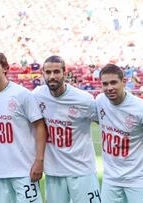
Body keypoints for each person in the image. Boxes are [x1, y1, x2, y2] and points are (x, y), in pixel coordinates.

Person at [33, 55, 101, 203]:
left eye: (56, 72)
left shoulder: (84, 99)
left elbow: (105, 122)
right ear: (43, 74)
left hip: (82, 171)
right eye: (48, 72)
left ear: (65, 73)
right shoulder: (37, 95)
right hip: (54, 171)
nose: (52, 76)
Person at [0, 51, 46, 203]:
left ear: (5, 68)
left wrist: (39, 160)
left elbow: (40, 125)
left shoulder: (22, 94)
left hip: (24, 170)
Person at [96, 64, 143, 203]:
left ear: (124, 82)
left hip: (137, 181)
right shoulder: (100, 101)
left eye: (113, 82)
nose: (109, 87)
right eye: (105, 84)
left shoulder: (140, 108)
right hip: (110, 180)